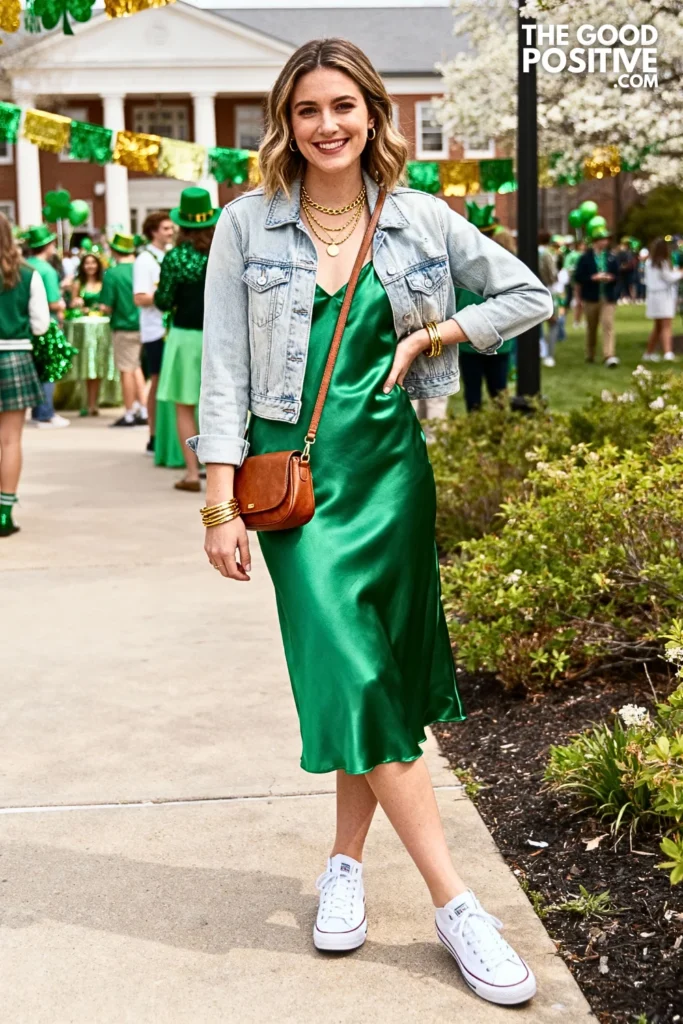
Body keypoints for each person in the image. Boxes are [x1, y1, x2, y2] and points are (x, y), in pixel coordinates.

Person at [190, 38, 552, 1007]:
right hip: (295, 493)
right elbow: (224, 369)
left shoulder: (419, 216)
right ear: (286, 121)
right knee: (353, 672)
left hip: (390, 475)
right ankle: (455, 902)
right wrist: (219, 503)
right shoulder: (245, 224)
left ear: (371, 114)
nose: (327, 125)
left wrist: (437, 332)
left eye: (342, 106)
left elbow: (527, 293)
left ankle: (344, 866)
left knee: (375, 683)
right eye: (308, 109)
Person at [154, 188, 218, 492]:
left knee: (184, 406)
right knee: (222, 405)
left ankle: (192, 473)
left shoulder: (175, 257)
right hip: (220, 336)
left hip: (184, 337)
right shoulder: (223, 250)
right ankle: (223, 472)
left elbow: (164, 300)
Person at [0, 213, 51, 536]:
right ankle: (4, 514)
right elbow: (41, 325)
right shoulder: (28, 274)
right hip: (15, 355)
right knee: (10, 440)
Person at [457, 204, 517, 409]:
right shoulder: (461, 263)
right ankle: (486, 427)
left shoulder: (504, 264)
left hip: (492, 339)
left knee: (493, 392)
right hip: (472, 339)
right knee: (482, 393)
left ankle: (496, 427)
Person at [134, 212, 174, 454]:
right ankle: (153, 434)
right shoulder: (145, 260)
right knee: (157, 382)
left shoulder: (168, 254)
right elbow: (140, 297)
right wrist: (168, 297)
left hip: (170, 328)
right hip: (155, 330)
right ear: (153, 232)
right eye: (166, 228)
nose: (171, 232)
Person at [100, 233, 148, 426]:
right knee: (135, 367)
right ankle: (143, 407)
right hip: (143, 324)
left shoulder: (113, 273)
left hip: (124, 325)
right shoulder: (141, 268)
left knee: (126, 370)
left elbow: (106, 305)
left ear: (114, 250)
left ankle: (129, 412)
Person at [25, 225, 70, 428]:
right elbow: (52, 302)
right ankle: (45, 412)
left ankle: (39, 410)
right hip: (46, 324)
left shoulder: (25, 265)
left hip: (26, 323)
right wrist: (62, 303)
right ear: (48, 245)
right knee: (48, 369)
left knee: (35, 369)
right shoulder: (47, 270)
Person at [68, 251, 109, 416]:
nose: (90, 266)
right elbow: (72, 304)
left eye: (93, 263)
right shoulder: (78, 284)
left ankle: (95, 402)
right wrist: (77, 304)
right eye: (87, 263)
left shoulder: (104, 283)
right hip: (83, 330)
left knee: (98, 365)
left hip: (101, 329)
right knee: (84, 365)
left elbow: (107, 304)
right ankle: (84, 402)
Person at [574, 227, 620, 367]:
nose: (605, 242)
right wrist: (592, 278)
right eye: (602, 239)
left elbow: (618, 275)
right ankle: (590, 353)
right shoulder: (585, 258)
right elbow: (578, 277)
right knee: (592, 327)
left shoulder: (611, 257)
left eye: (606, 239)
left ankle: (609, 355)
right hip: (591, 297)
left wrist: (611, 278)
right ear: (595, 241)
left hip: (607, 296)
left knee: (608, 324)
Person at [642, 237, 683, 362]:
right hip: (663, 296)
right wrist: (680, 273)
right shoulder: (662, 262)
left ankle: (649, 353)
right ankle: (668, 352)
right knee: (666, 325)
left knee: (658, 326)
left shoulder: (649, 263)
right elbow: (669, 278)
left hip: (653, 296)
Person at [537, 230, 559, 368]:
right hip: (547, 290)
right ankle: (549, 355)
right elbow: (552, 274)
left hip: (531, 291)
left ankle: (540, 351)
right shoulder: (546, 254)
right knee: (553, 323)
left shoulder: (530, 252)